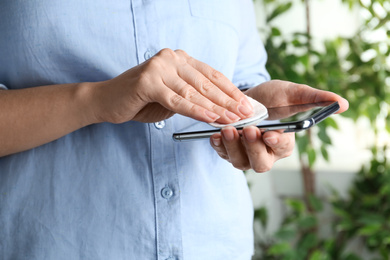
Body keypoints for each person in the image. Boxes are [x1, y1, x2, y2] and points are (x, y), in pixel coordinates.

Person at [0, 0, 348, 259]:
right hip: (57, 244)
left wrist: (255, 112)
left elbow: (243, 77)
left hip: (213, 244)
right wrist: (97, 100)